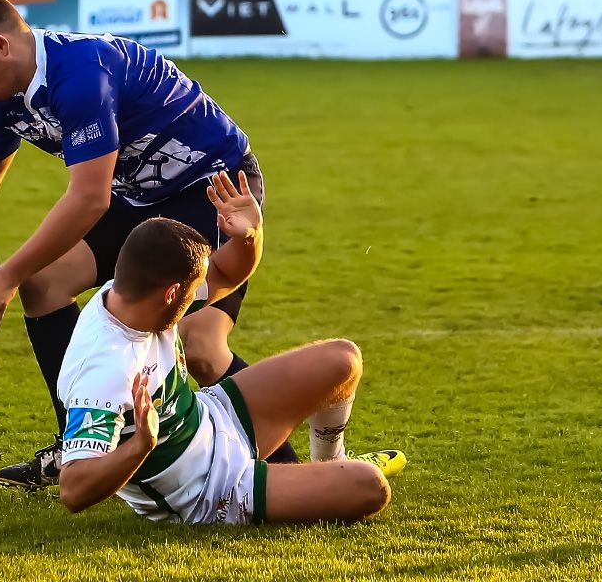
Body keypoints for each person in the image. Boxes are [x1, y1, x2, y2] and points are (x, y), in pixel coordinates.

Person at [0, 0, 300, 492]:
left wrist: (6, 275)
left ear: (0, 45)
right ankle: (79, 449)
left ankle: (293, 472)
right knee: (44, 285)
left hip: (212, 189)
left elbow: (89, 199)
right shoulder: (1, 98)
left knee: (200, 346)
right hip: (138, 195)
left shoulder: (81, 74)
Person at [56, 180, 406, 524]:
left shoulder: (132, 293)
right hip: (208, 489)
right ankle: (333, 476)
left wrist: (249, 236)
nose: (197, 299)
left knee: (343, 359)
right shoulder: (104, 370)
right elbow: (73, 489)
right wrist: (140, 445)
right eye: (191, 292)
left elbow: (225, 273)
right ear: (171, 293)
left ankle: (332, 464)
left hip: (214, 417)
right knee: (370, 486)